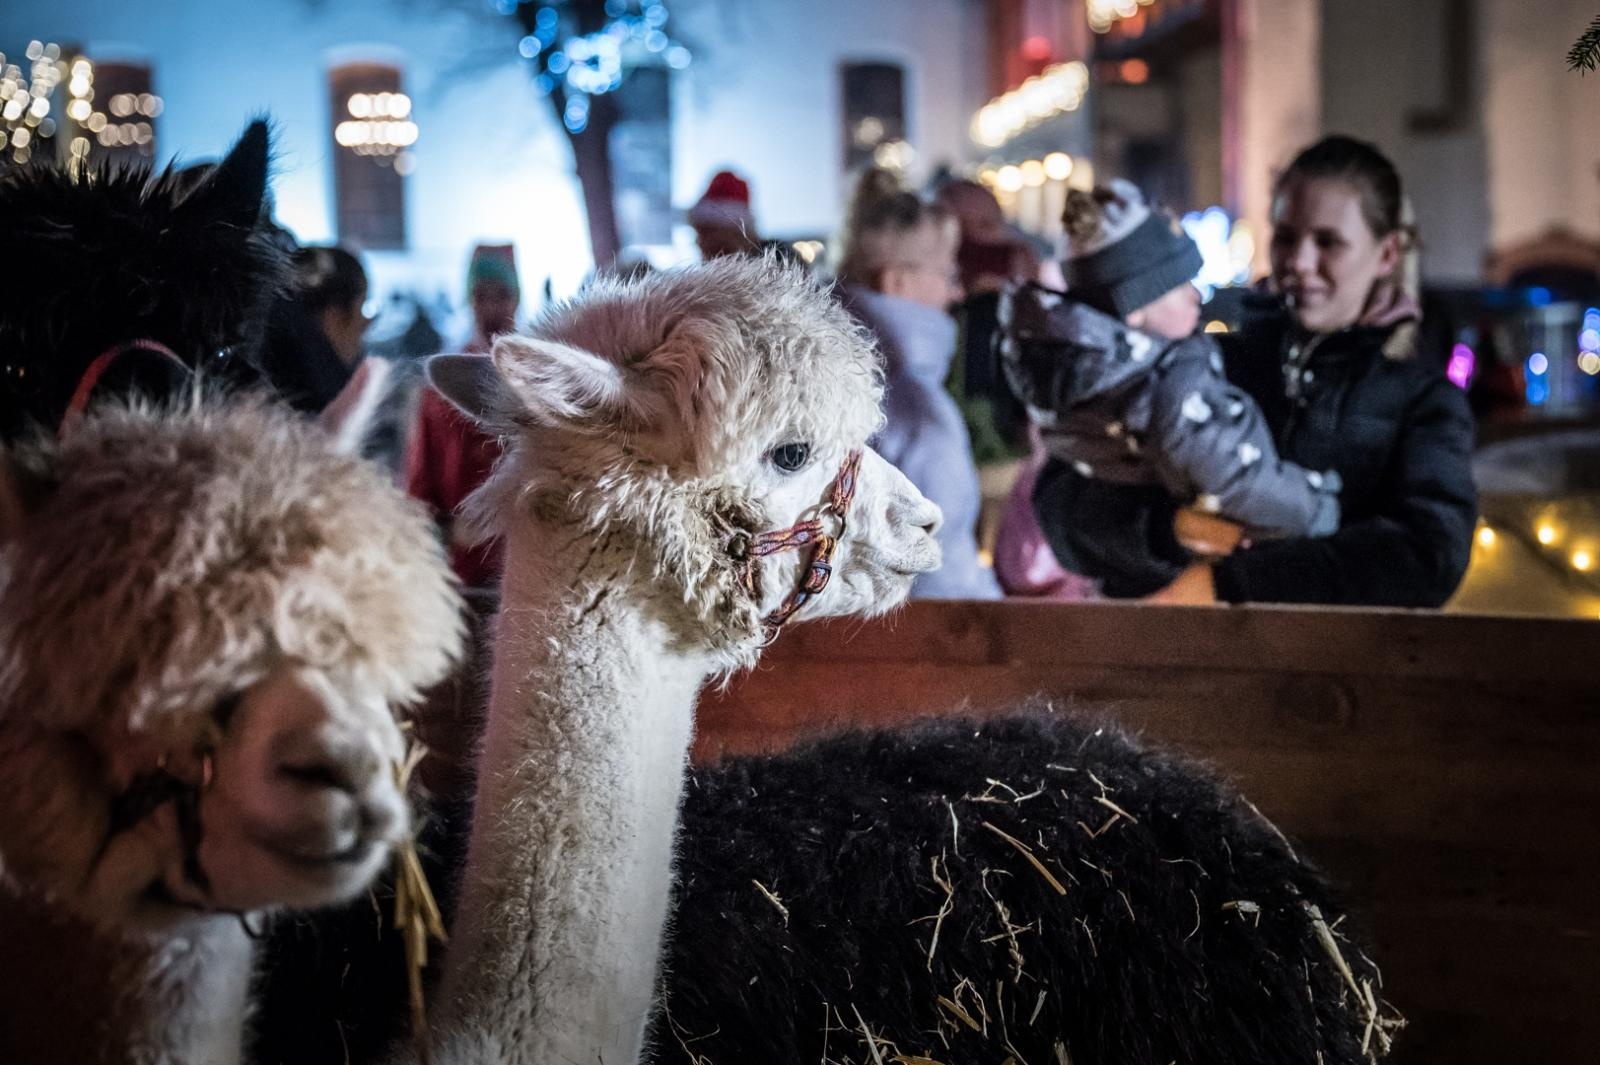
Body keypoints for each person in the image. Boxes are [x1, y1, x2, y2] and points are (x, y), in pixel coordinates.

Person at [1152, 135, 1476, 607]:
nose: (1300, 263)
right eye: (1286, 237)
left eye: (1329, 242)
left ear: (1386, 254)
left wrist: (1233, 583)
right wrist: (1167, 528)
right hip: (1186, 660)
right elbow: (1066, 500)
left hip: (1335, 674)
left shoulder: (1422, 403)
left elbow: (1428, 554)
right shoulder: (1209, 363)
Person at [1002, 179, 1342, 599]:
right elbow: (1239, 475)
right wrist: (1318, 505)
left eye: (1330, 242)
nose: (1196, 294)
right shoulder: (1169, 384)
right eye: (1178, 285)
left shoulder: (1082, 375)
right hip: (1196, 600)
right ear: (1136, 308)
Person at [835, 167, 1002, 600]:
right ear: (897, 281)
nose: (957, 293)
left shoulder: (828, 374)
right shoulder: (916, 409)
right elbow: (946, 578)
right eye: (947, 275)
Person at [404, 243, 521, 589]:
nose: (491, 308)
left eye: (501, 295)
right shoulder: (442, 386)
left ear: (517, 297)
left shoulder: (536, 382)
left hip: (524, 570)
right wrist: (447, 532)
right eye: (480, 296)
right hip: (462, 577)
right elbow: (419, 490)